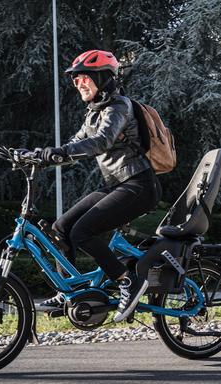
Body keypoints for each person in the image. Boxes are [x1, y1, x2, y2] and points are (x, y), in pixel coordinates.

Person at [37, 49, 161, 322]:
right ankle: (72, 291)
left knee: (82, 232)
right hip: (116, 185)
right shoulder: (94, 113)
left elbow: (101, 141)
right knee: (61, 229)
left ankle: (128, 281)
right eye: (75, 79)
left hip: (137, 185)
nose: (78, 83)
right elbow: (74, 143)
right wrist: (38, 155)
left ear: (103, 78)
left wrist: (57, 153)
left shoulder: (119, 107)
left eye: (84, 77)